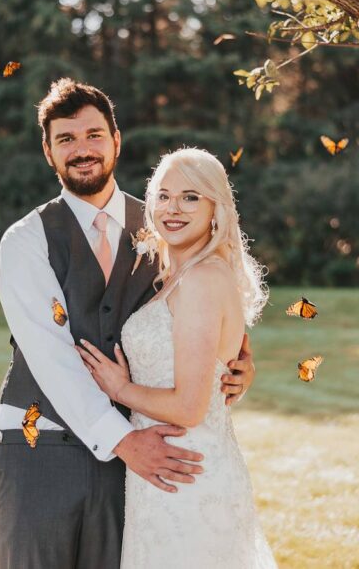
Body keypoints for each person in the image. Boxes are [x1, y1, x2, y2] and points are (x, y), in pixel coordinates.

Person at [0, 79, 257, 568]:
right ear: (48, 152)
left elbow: (205, 299)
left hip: (134, 468)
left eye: (93, 134)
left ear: (117, 139)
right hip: (40, 454)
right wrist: (125, 441)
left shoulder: (162, 225)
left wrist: (240, 359)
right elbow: (51, 357)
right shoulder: (25, 241)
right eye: (65, 139)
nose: (82, 149)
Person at [80, 147, 277, 568]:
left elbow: (190, 406)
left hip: (186, 474)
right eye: (164, 195)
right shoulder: (176, 279)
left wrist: (121, 388)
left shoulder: (203, 280)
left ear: (216, 210)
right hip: (168, 471)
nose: (173, 208)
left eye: (191, 197)